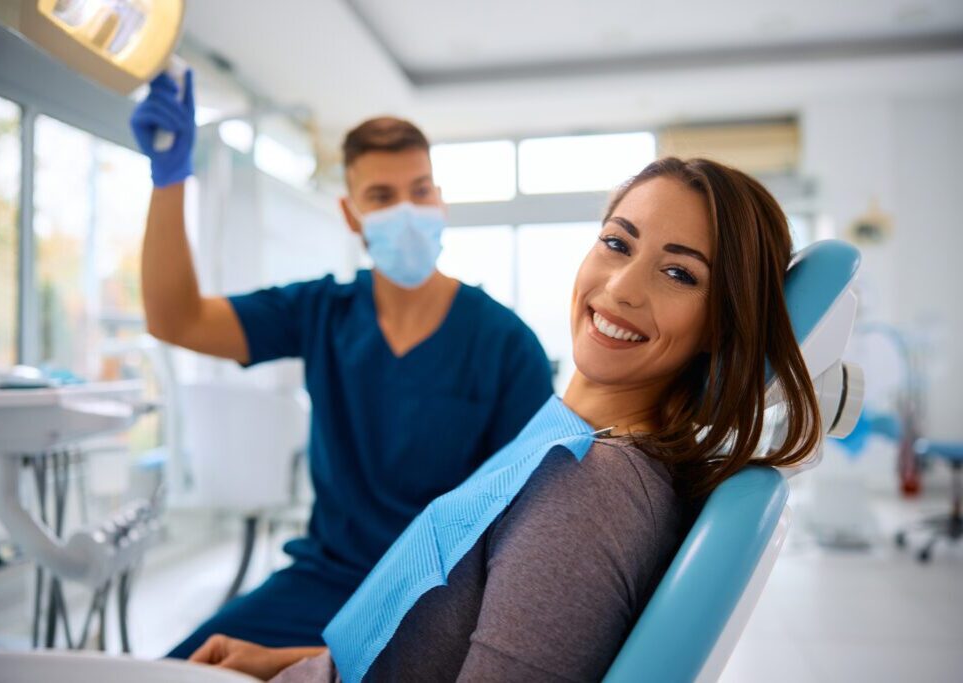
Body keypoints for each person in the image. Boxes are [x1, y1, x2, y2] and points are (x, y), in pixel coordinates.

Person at [187, 157, 823, 682]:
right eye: (616, 243)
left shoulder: (589, 487)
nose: (623, 288)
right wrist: (302, 666)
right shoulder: (569, 440)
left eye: (680, 273)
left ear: (722, 325)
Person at [128, 72, 554, 656]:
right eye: (381, 196)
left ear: (440, 200)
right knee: (181, 670)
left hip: (438, 597)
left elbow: (526, 533)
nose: (407, 210)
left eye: (421, 190)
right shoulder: (321, 312)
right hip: (323, 584)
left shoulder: (506, 343)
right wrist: (170, 178)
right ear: (351, 215)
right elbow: (177, 319)